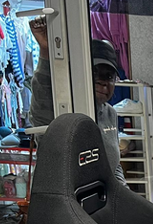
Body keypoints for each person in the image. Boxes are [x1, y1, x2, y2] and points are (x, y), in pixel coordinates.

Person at [28, 16, 125, 184]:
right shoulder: (64, 109)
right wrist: (46, 51)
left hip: (100, 197)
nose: (103, 81)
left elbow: (115, 167)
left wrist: (124, 194)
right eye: (95, 72)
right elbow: (42, 92)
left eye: (109, 76)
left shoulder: (110, 113)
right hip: (64, 196)